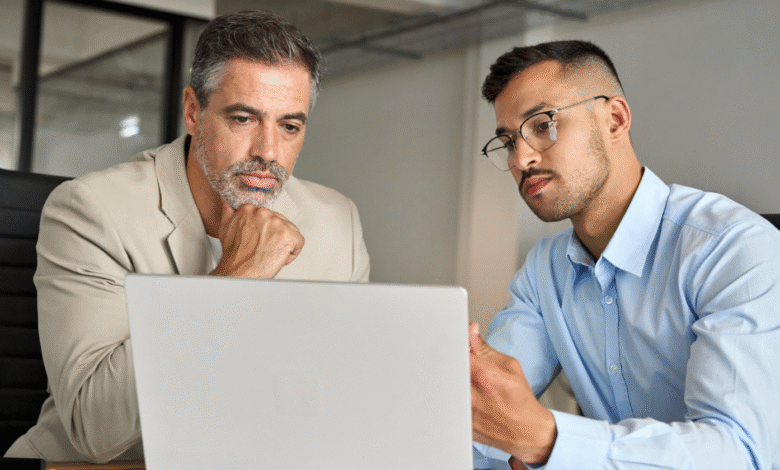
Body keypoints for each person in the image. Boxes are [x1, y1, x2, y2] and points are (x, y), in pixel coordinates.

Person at [5, 10, 369, 463]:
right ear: (194, 112)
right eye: (243, 119)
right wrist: (240, 277)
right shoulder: (91, 210)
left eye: (289, 126)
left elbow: (341, 397)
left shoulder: (337, 222)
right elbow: (95, 428)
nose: (268, 153)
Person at [470, 40, 780, 470]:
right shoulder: (544, 271)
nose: (521, 158)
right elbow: (485, 423)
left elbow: (739, 453)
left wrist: (546, 442)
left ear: (615, 119)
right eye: (507, 142)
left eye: (542, 125)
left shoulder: (731, 248)